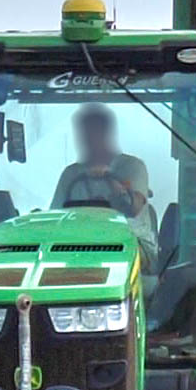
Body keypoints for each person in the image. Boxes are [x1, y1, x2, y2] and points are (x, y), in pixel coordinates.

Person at [52, 102, 160, 274]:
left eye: (94, 134)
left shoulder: (132, 167)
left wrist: (110, 178)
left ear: (106, 134)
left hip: (132, 241)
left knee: (110, 259)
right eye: (85, 135)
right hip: (79, 243)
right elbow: (56, 218)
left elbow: (135, 208)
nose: (89, 140)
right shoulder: (71, 174)